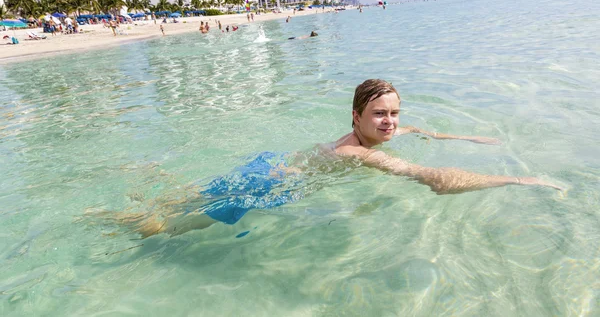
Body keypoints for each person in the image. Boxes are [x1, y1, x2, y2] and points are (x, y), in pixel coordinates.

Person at [96, 79, 564, 238]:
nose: (390, 123)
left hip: (269, 162)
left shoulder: (374, 134)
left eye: (395, 114)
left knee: (181, 200)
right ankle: (107, 219)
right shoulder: (360, 155)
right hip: (268, 185)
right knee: (161, 229)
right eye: (380, 114)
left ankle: (138, 187)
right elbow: (434, 179)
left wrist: (470, 137)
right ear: (357, 116)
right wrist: (520, 182)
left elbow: (423, 133)